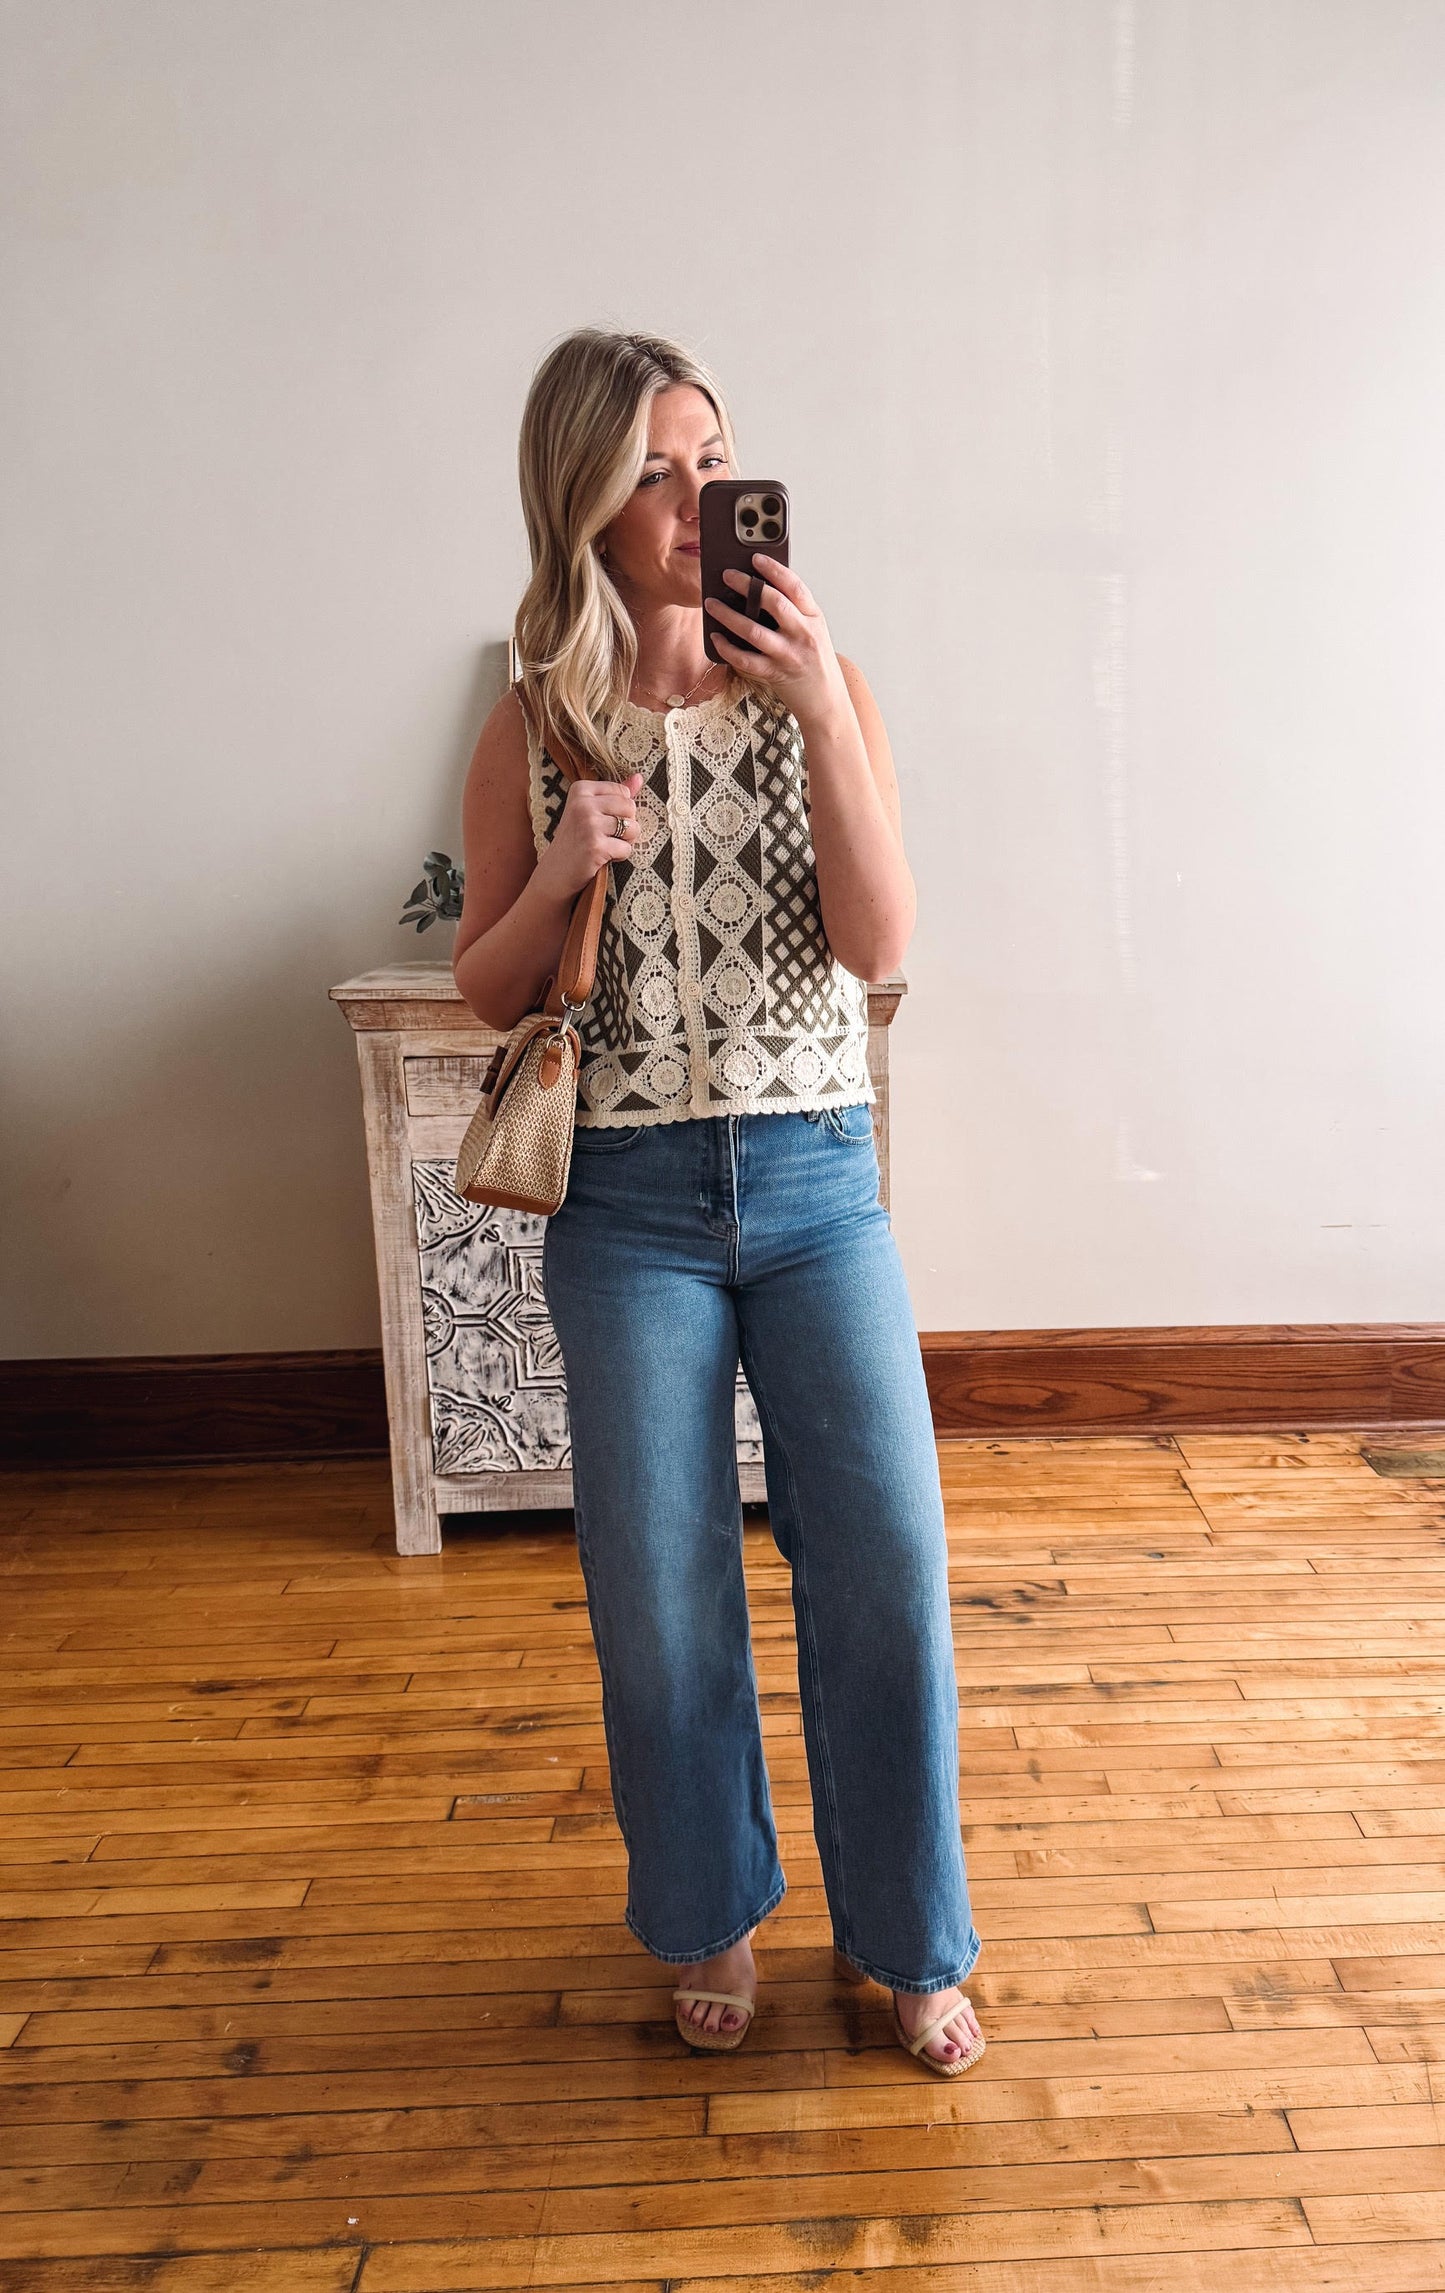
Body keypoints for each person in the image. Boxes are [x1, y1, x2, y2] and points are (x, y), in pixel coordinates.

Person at [451, 328, 986, 2075]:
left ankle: (910, 1937)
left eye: (715, 461)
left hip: (819, 1176)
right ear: (587, 507)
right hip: (626, 1199)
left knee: (886, 1563)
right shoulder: (532, 720)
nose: (697, 502)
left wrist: (822, 702)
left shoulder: (822, 684)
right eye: (656, 474)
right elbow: (486, 981)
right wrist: (558, 866)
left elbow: (881, 947)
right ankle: (708, 1913)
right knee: (660, 1583)